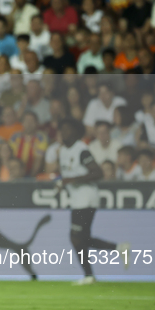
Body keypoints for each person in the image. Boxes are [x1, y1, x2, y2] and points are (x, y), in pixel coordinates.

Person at [57, 118, 129, 285]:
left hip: (87, 197)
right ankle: (119, 248)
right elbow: (70, 174)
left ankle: (89, 275)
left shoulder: (82, 150)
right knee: (81, 238)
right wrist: (63, 182)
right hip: (77, 199)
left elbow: (97, 172)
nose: (64, 132)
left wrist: (72, 180)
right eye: (62, 129)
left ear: (75, 132)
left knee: (76, 238)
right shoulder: (63, 151)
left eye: (67, 129)